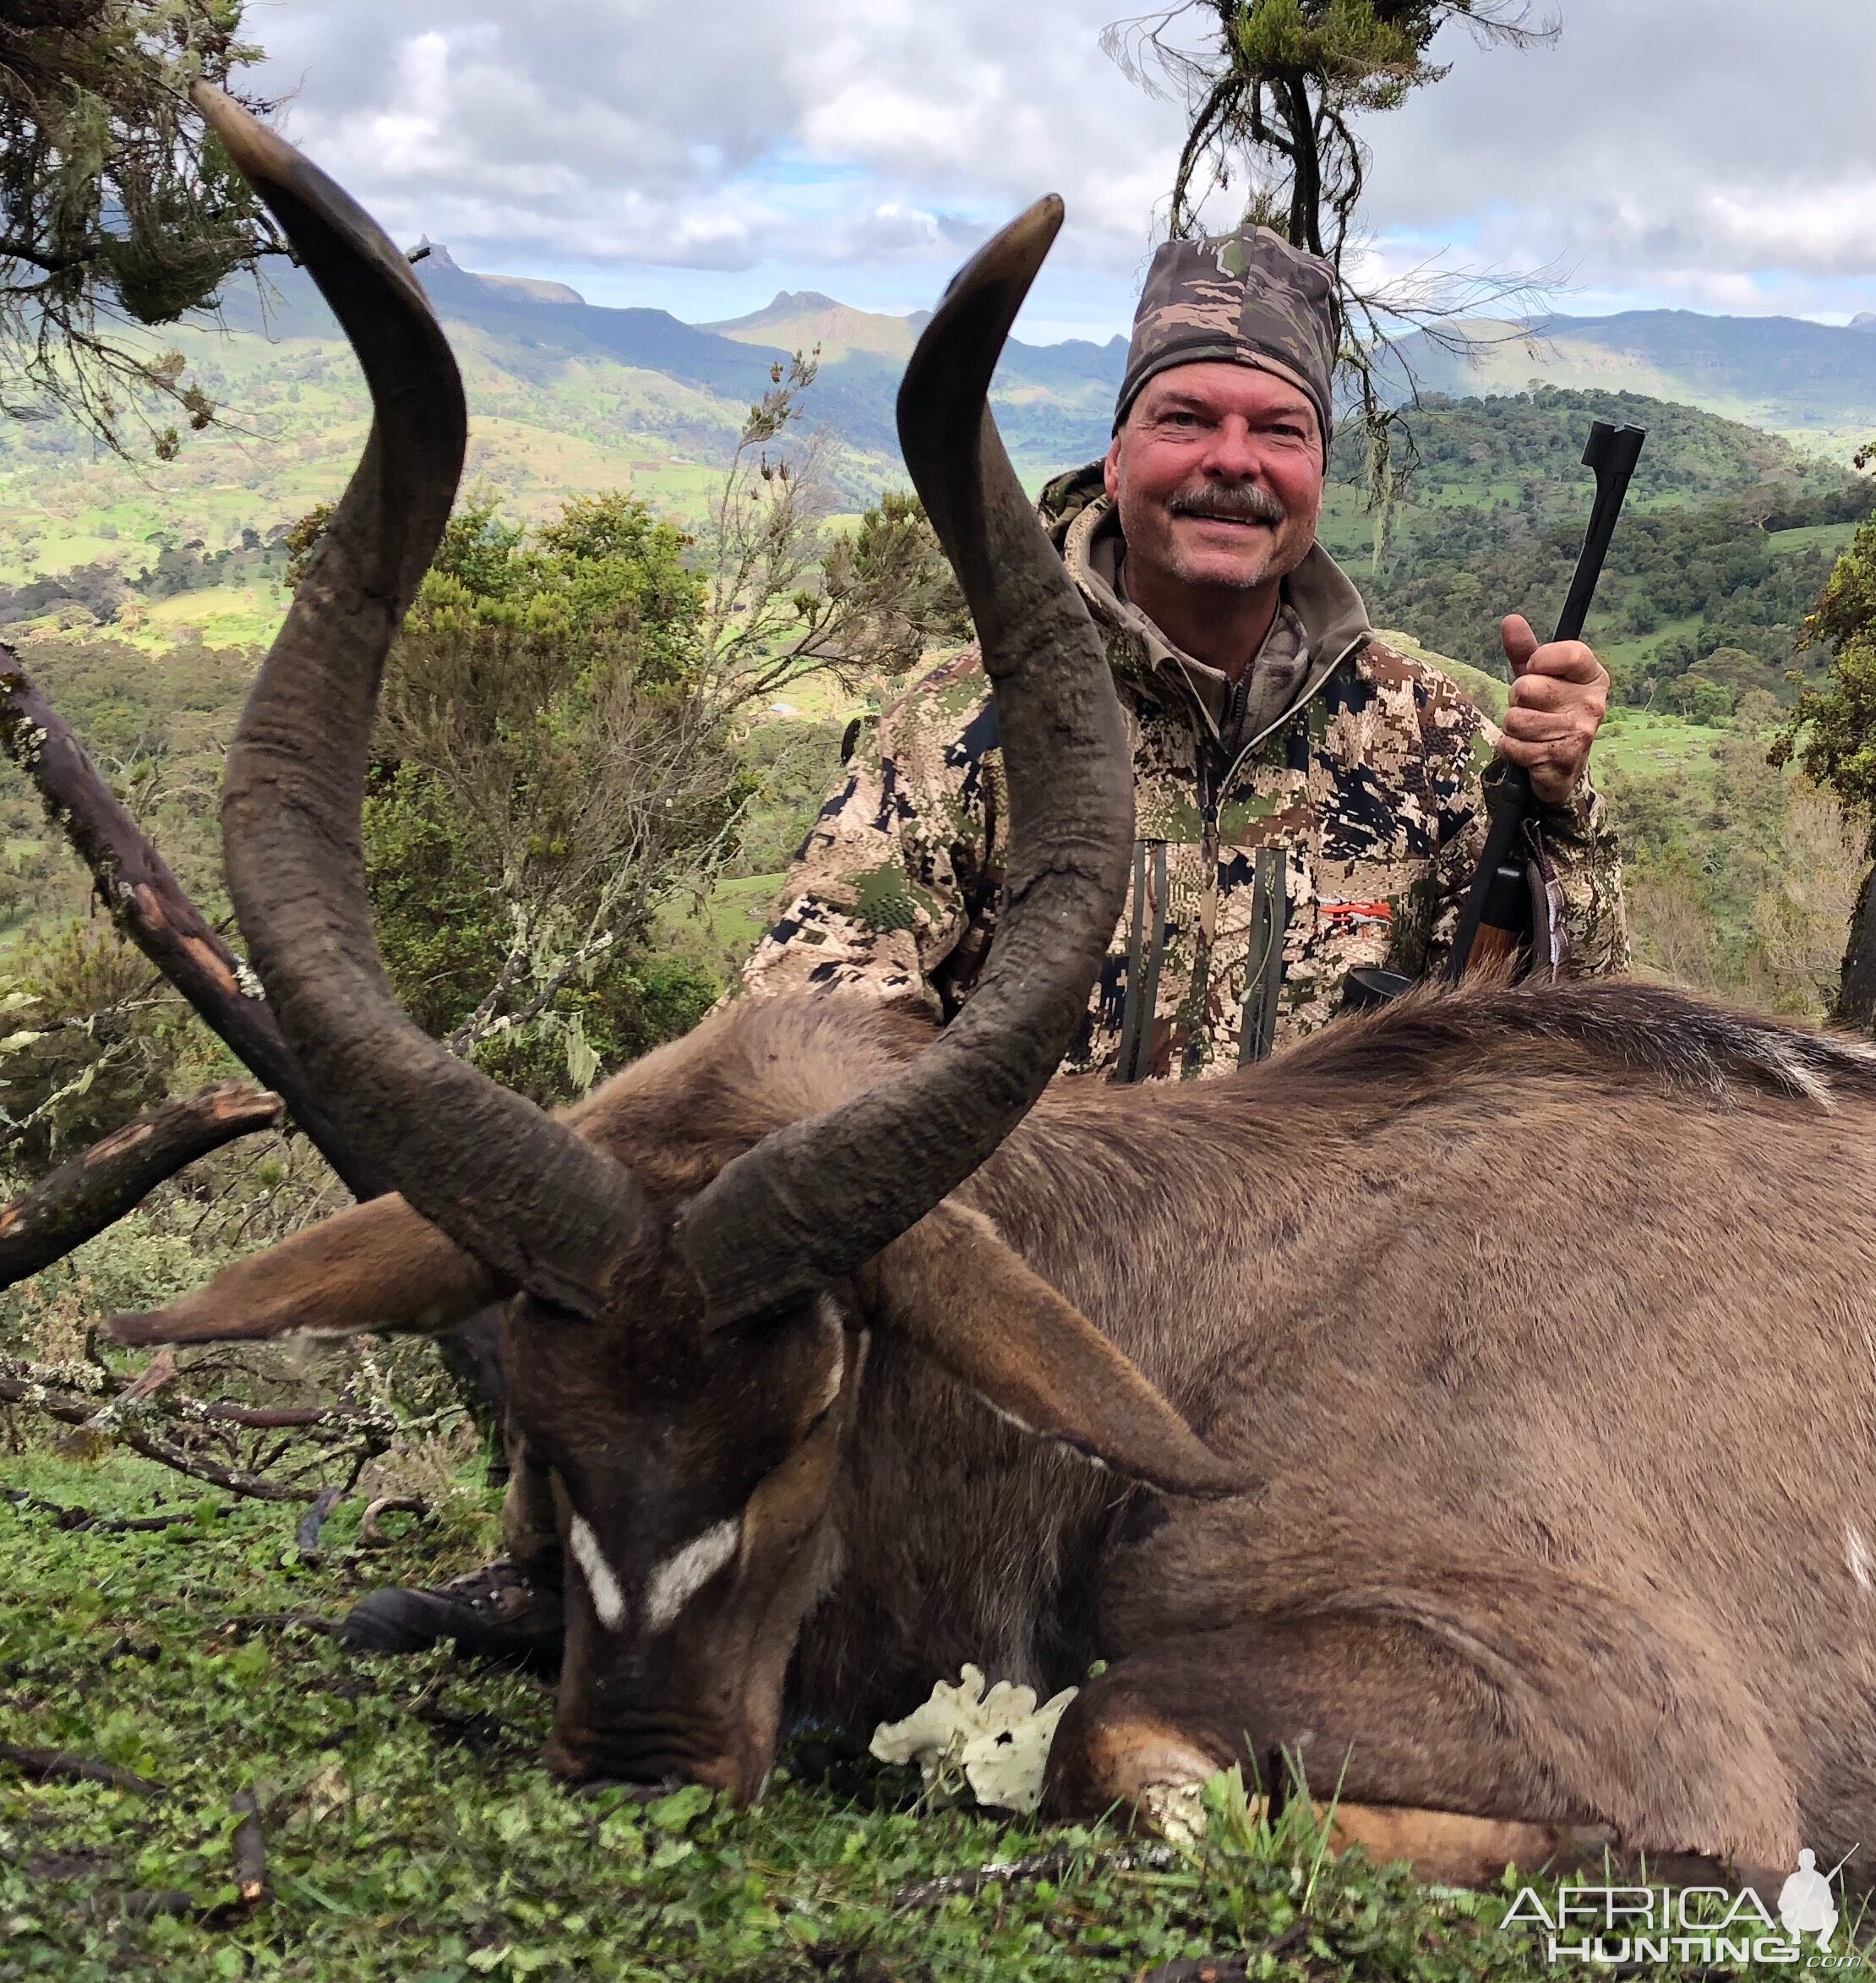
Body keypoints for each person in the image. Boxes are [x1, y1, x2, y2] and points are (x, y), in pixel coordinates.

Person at [343, 224, 1627, 1663]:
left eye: (1279, 428)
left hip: (1321, 1331)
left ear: (1317, 468)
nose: (1233, 460)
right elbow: (800, 1018)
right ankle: (570, 1565)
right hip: (997, 1317)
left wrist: (1562, 810)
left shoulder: (1443, 733)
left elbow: (1556, 1041)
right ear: (1121, 443)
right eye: (1187, 416)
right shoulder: (961, 714)